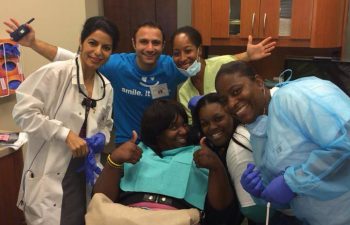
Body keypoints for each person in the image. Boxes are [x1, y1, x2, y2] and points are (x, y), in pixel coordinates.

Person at [4, 19, 275, 144]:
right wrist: (33, 43)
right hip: (124, 141)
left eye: (156, 42)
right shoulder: (115, 64)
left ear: (162, 46)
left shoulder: (172, 66)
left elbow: (207, 64)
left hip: (161, 142)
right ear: (134, 43)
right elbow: (73, 56)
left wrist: (245, 56)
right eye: (143, 41)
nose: (149, 47)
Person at [215, 60, 350, 225]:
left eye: (236, 91)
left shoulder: (296, 97)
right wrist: (260, 192)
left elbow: (346, 141)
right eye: (223, 100)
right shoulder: (258, 130)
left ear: (258, 82)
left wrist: (292, 181)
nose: (231, 103)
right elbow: (286, 198)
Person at [12, 16, 117, 225]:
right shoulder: (56, 73)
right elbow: (24, 112)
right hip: (49, 172)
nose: (98, 52)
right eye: (93, 43)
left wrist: (101, 137)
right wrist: (64, 134)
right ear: (81, 41)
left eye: (106, 48)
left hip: (84, 171)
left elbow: (107, 123)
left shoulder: (106, 87)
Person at [93, 99, 241, 225]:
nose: (183, 131)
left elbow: (222, 210)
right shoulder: (133, 153)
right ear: (156, 132)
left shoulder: (200, 154)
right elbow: (100, 201)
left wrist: (216, 167)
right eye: (173, 127)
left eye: (184, 125)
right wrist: (114, 160)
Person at [171, 26, 276, 123]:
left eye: (188, 51)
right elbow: (193, 124)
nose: (182, 58)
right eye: (176, 53)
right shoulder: (183, 92)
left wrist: (248, 55)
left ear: (200, 50)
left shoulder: (221, 64)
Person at [191, 93, 268, 225]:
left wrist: (216, 166)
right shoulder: (210, 147)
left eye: (218, 118)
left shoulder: (242, 143)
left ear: (232, 115)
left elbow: (226, 210)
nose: (212, 127)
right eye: (205, 123)